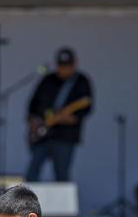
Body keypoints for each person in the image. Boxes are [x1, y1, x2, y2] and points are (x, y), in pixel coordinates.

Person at [25, 47, 93, 182]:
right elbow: (33, 105)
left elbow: (85, 109)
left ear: (74, 64)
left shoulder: (81, 81)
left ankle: (62, 202)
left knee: (61, 174)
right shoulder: (48, 80)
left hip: (65, 136)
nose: (64, 69)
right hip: (42, 135)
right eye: (61, 66)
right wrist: (33, 122)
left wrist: (67, 118)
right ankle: (25, 202)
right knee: (33, 171)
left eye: (68, 66)